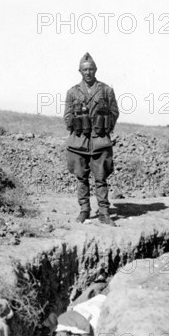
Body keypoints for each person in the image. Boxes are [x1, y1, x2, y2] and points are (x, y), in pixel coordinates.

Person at [64, 53, 119, 226]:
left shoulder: (106, 90)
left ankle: (103, 212)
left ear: (95, 70)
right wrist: (78, 122)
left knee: (101, 178)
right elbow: (66, 116)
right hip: (79, 142)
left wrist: (104, 125)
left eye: (91, 69)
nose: (88, 72)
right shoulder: (72, 92)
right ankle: (84, 210)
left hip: (100, 141)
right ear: (79, 71)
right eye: (85, 69)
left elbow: (114, 112)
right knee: (81, 177)